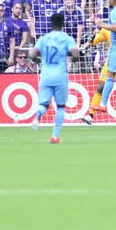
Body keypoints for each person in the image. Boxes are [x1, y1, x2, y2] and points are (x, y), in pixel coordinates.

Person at [30, 13, 79, 143]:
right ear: (63, 23)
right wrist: (70, 59)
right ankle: (55, 136)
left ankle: (38, 115)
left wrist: (39, 61)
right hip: (60, 75)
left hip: (45, 75)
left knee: (43, 104)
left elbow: (32, 54)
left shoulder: (43, 38)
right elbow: (75, 55)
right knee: (61, 106)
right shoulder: (67, 39)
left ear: (51, 24)